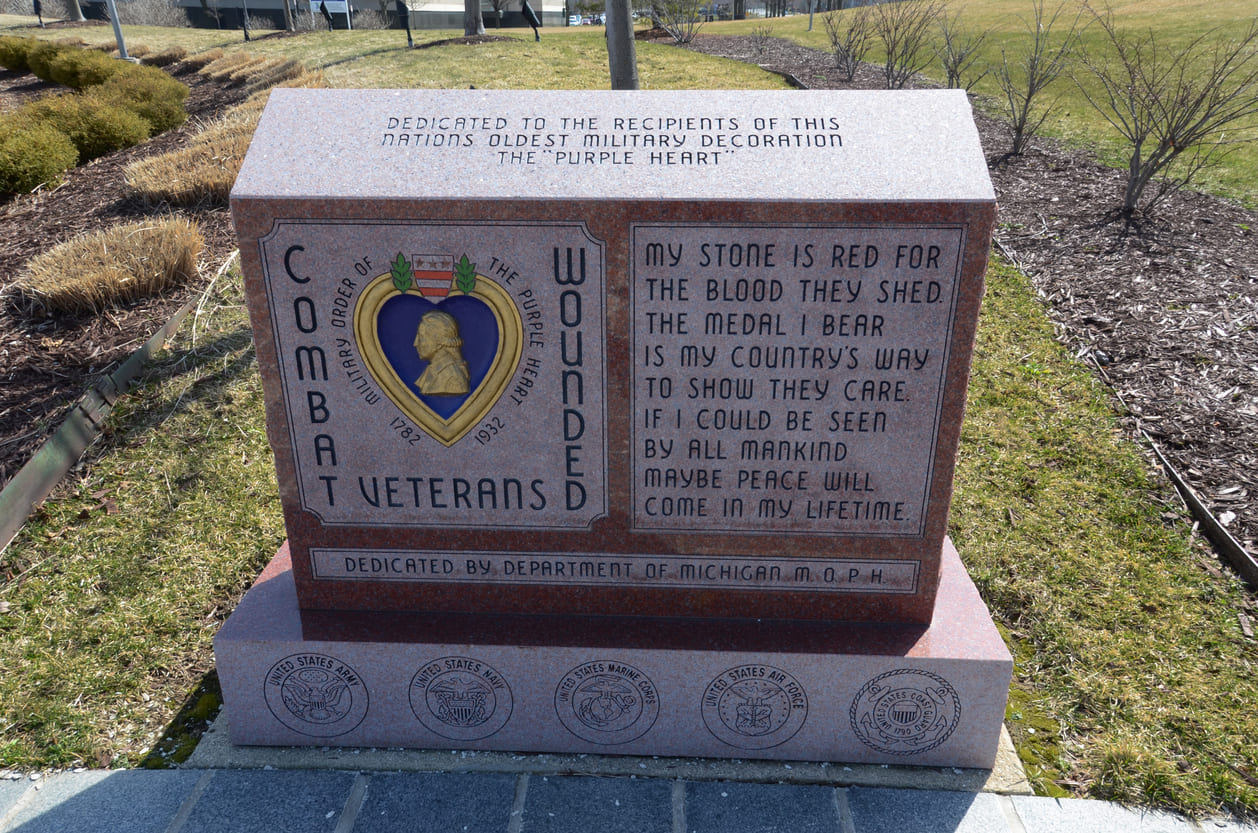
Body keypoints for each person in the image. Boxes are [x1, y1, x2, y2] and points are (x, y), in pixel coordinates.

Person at [413, 310, 470, 396]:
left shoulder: (453, 379)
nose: (415, 343)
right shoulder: (431, 370)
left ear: (439, 343)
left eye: (421, 337)